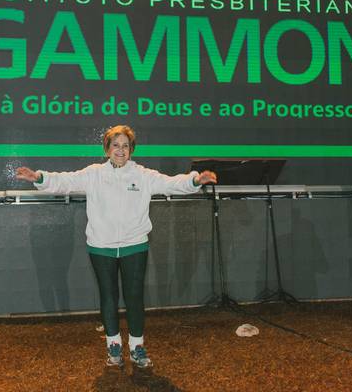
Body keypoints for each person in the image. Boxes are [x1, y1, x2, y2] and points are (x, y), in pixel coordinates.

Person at [16, 125, 216, 368]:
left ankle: (137, 347)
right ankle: (114, 346)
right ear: (107, 149)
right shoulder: (94, 174)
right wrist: (39, 178)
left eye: (125, 146)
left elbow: (171, 183)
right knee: (108, 296)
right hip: (101, 246)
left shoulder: (143, 175)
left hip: (135, 245)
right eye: (115, 145)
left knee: (134, 297)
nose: (120, 150)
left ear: (131, 150)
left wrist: (195, 180)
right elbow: (65, 181)